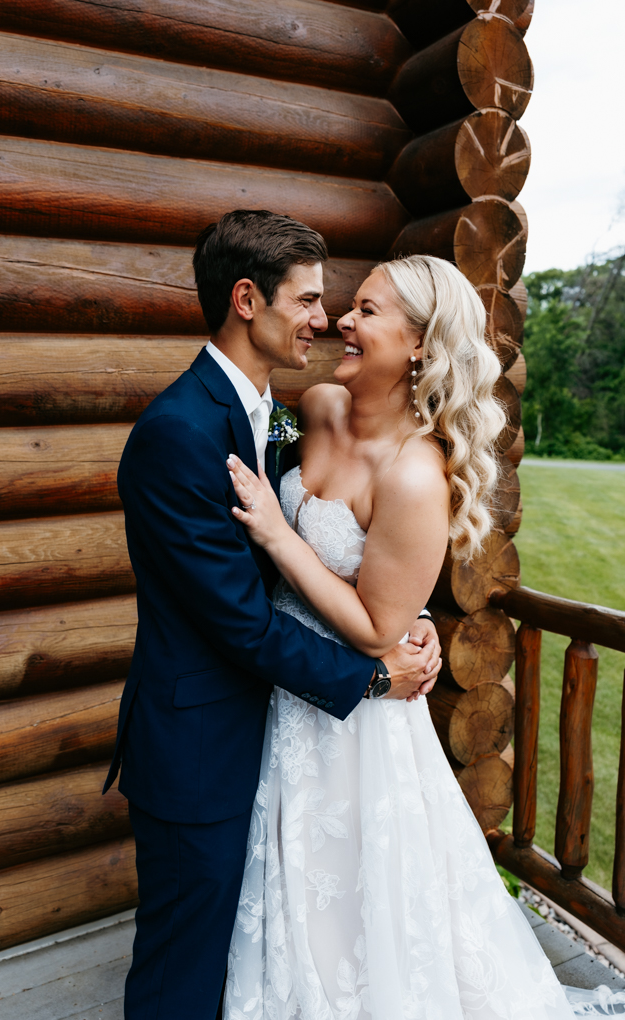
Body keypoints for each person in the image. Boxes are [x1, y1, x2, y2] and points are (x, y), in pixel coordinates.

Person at [103, 210, 443, 1020]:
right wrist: (371, 676)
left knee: (264, 948)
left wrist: (406, 616)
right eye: (309, 300)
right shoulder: (177, 434)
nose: (324, 321)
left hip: (277, 735)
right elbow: (241, 622)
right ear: (247, 300)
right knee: (180, 969)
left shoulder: (271, 413)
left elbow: (339, 543)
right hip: (200, 747)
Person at [223, 254, 580, 1019]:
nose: (343, 321)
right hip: (285, 687)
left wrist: (283, 540)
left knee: (358, 890)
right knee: (289, 872)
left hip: (357, 716)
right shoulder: (314, 407)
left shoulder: (415, 473)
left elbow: (381, 627)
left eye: (369, 312)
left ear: (419, 344)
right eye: (350, 308)